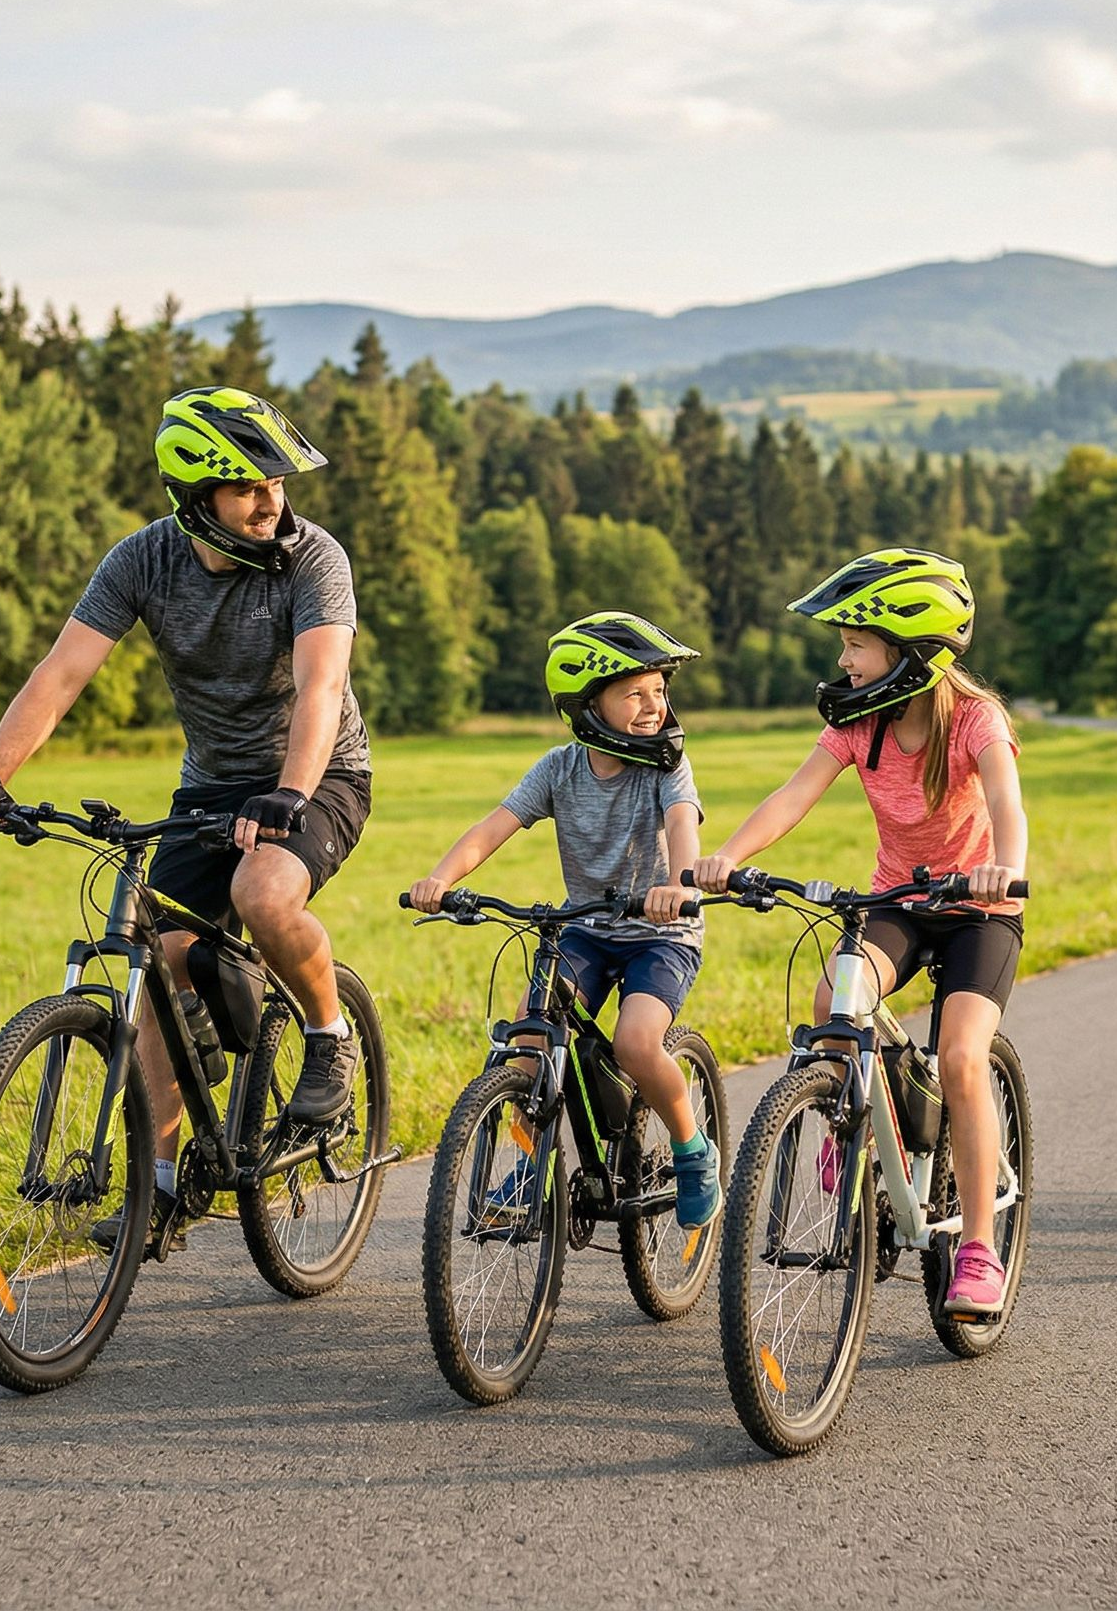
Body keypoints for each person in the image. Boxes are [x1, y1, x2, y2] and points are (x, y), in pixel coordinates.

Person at [0, 386, 373, 1243]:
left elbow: (321, 687)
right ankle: (168, 1185)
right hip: (211, 785)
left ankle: (330, 1036)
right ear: (194, 498)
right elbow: (62, 675)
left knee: (261, 894)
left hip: (320, 771)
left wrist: (290, 791)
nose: (272, 501)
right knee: (159, 959)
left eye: (277, 483)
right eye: (250, 486)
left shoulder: (312, 559)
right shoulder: (142, 561)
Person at [692, 549, 1028, 1315]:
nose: (842, 660)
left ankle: (977, 1247)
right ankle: (854, 1126)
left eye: (855, 644)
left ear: (909, 653)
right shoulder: (859, 723)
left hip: (981, 909)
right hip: (899, 903)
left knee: (962, 1056)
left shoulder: (977, 719)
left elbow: (1007, 802)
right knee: (832, 1004)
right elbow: (793, 794)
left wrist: (1006, 867)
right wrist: (728, 857)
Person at [406, 612, 721, 1229]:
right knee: (529, 1038)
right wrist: (443, 879)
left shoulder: (666, 766)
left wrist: (678, 885)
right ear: (587, 703)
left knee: (635, 1043)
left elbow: (683, 824)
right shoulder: (558, 769)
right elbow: (494, 826)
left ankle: (691, 1150)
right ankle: (531, 1166)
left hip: (661, 934)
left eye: (660, 690)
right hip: (587, 929)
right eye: (634, 692)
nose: (654, 705)